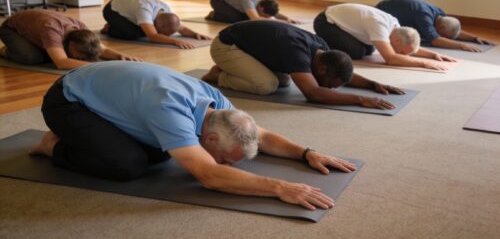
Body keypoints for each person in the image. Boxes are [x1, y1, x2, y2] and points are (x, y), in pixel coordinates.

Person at [30, 61, 356, 210]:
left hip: (108, 88)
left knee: (161, 153)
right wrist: (280, 187)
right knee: (127, 166)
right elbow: (209, 176)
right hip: (68, 100)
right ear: (211, 141)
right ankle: (53, 146)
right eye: (228, 159)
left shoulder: (222, 109)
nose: (229, 165)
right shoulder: (169, 113)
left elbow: (262, 135)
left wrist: (306, 152)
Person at [202, 20, 404, 110]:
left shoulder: (322, 50)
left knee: (282, 81)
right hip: (227, 46)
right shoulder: (296, 53)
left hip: (250, 46)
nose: (330, 89)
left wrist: (372, 84)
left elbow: (341, 74)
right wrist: (359, 99)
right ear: (322, 69)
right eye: (330, 84)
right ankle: (218, 75)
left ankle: (232, 70)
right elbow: (313, 93)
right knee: (266, 85)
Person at [313, 3, 456, 71]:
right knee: (357, 52)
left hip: (341, 20)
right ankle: (320, 42)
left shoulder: (396, 27)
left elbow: (406, 48)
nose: (402, 55)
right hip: (326, 22)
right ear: (396, 41)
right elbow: (391, 58)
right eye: (401, 52)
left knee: (368, 50)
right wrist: (424, 64)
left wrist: (432, 54)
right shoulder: (380, 26)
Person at [0, 9, 140, 70]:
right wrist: (96, 67)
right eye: (80, 56)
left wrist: (121, 56)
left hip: (36, 26)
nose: (82, 59)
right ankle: (5, 50)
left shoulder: (82, 29)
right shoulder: (52, 31)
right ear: (71, 45)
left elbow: (102, 49)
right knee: (32, 58)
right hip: (11, 29)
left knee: (50, 54)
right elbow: (61, 63)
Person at [375, 0, 495, 52]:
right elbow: (435, 40)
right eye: (445, 36)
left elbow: (453, 32)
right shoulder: (424, 18)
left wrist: (474, 38)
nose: (445, 38)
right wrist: (461, 46)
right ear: (440, 28)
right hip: (381, 13)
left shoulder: (441, 14)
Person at [101, 0, 211, 49]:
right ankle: (109, 28)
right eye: (164, 34)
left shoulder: (166, 10)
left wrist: (195, 34)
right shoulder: (145, 10)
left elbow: (180, 28)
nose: (166, 36)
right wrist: (175, 42)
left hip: (130, 8)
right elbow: (153, 36)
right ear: (160, 25)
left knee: (143, 30)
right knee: (134, 34)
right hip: (112, 9)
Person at [205, 0, 300, 24]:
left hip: (233, 0)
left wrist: (287, 19)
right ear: (261, 8)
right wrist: (280, 22)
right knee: (237, 20)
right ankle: (214, 15)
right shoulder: (248, 1)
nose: (265, 17)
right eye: (265, 16)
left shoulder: (262, 0)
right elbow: (255, 18)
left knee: (246, 17)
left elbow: (274, 13)